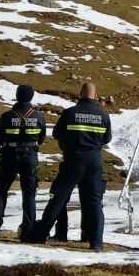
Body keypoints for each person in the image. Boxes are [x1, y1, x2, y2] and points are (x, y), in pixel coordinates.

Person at [28, 81, 113, 251]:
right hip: (94, 162)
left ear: (80, 94)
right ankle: (96, 243)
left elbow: (57, 134)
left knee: (57, 198)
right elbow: (107, 139)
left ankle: (40, 235)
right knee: (94, 202)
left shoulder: (70, 113)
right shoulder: (103, 115)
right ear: (96, 96)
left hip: (73, 160)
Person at [0, 84, 46, 237]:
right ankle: (28, 231)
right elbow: (41, 139)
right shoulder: (38, 116)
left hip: (10, 156)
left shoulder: (7, 116)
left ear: (17, 96)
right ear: (31, 97)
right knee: (29, 194)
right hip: (30, 157)